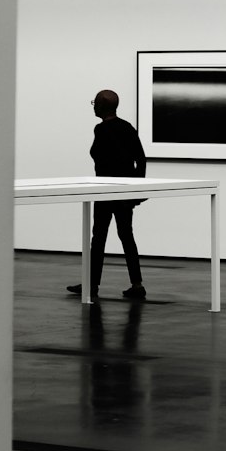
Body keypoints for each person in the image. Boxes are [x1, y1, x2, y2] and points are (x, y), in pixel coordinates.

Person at [67, 90, 148, 300]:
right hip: (123, 191)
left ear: (103, 106)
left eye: (95, 102)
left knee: (99, 237)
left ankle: (92, 285)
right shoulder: (127, 128)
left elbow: (99, 156)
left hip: (104, 190)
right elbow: (141, 159)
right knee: (126, 236)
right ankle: (137, 284)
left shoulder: (101, 129)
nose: (93, 106)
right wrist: (136, 188)